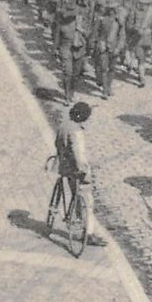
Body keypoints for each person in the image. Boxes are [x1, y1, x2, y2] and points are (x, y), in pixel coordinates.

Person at [54, 102, 105, 247]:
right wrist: (84, 171)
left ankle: (78, 217)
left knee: (76, 193)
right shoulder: (77, 132)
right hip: (76, 170)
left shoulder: (64, 125)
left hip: (64, 167)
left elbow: (57, 143)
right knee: (88, 202)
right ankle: (88, 234)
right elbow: (79, 156)